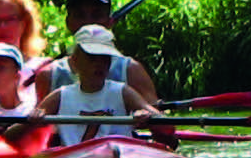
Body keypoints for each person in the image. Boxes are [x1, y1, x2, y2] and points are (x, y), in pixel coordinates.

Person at [32, 24, 165, 145]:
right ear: (75, 61)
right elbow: (13, 133)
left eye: (105, 59)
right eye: (92, 58)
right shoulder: (60, 96)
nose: (99, 65)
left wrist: (146, 115)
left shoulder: (123, 92)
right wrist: (34, 118)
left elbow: (163, 122)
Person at [37, 0, 160, 105]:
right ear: (69, 22)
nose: (88, 22)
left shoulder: (130, 71)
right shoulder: (50, 75)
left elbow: (159, 121)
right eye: (80, 15)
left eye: (97, 15)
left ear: (110, 22)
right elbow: (38, 122)